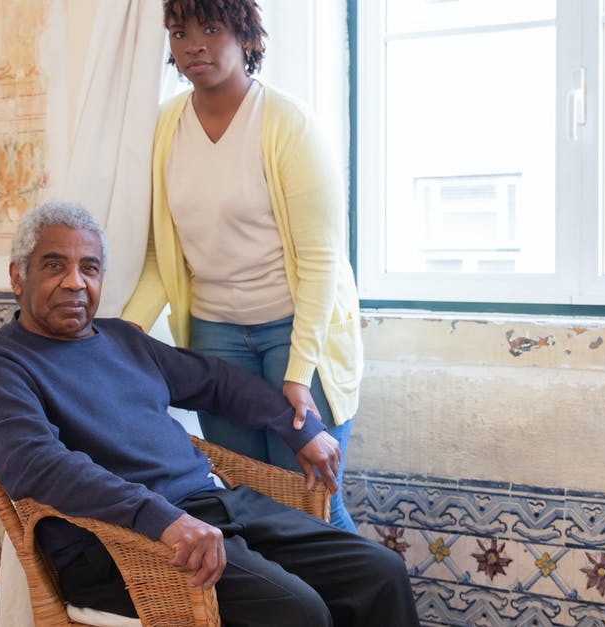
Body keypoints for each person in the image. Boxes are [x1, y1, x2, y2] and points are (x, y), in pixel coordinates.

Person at [0, 201, 418, 626]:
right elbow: (36, 466)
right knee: (298, 611)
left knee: (381, 571)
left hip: (212, 508)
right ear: (17, 277)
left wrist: (298, 427)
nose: (74, 282)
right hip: (117, 544)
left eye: (89, 268)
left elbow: (214, 382)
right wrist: (160, 518)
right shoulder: (1, 365)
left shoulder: (123, 339)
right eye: (54, 266)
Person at [121, 0, 362, 533]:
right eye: (180, 32)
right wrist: (122, 334)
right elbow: (164, 257)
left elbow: (323, 262)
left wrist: (299, 375)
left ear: (245, 33)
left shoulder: (286, 123)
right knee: (253, 503)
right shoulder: (163, 127)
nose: (194, 45)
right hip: (215, 341)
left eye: (211, 28)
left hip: (296, 334)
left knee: (312, 502)